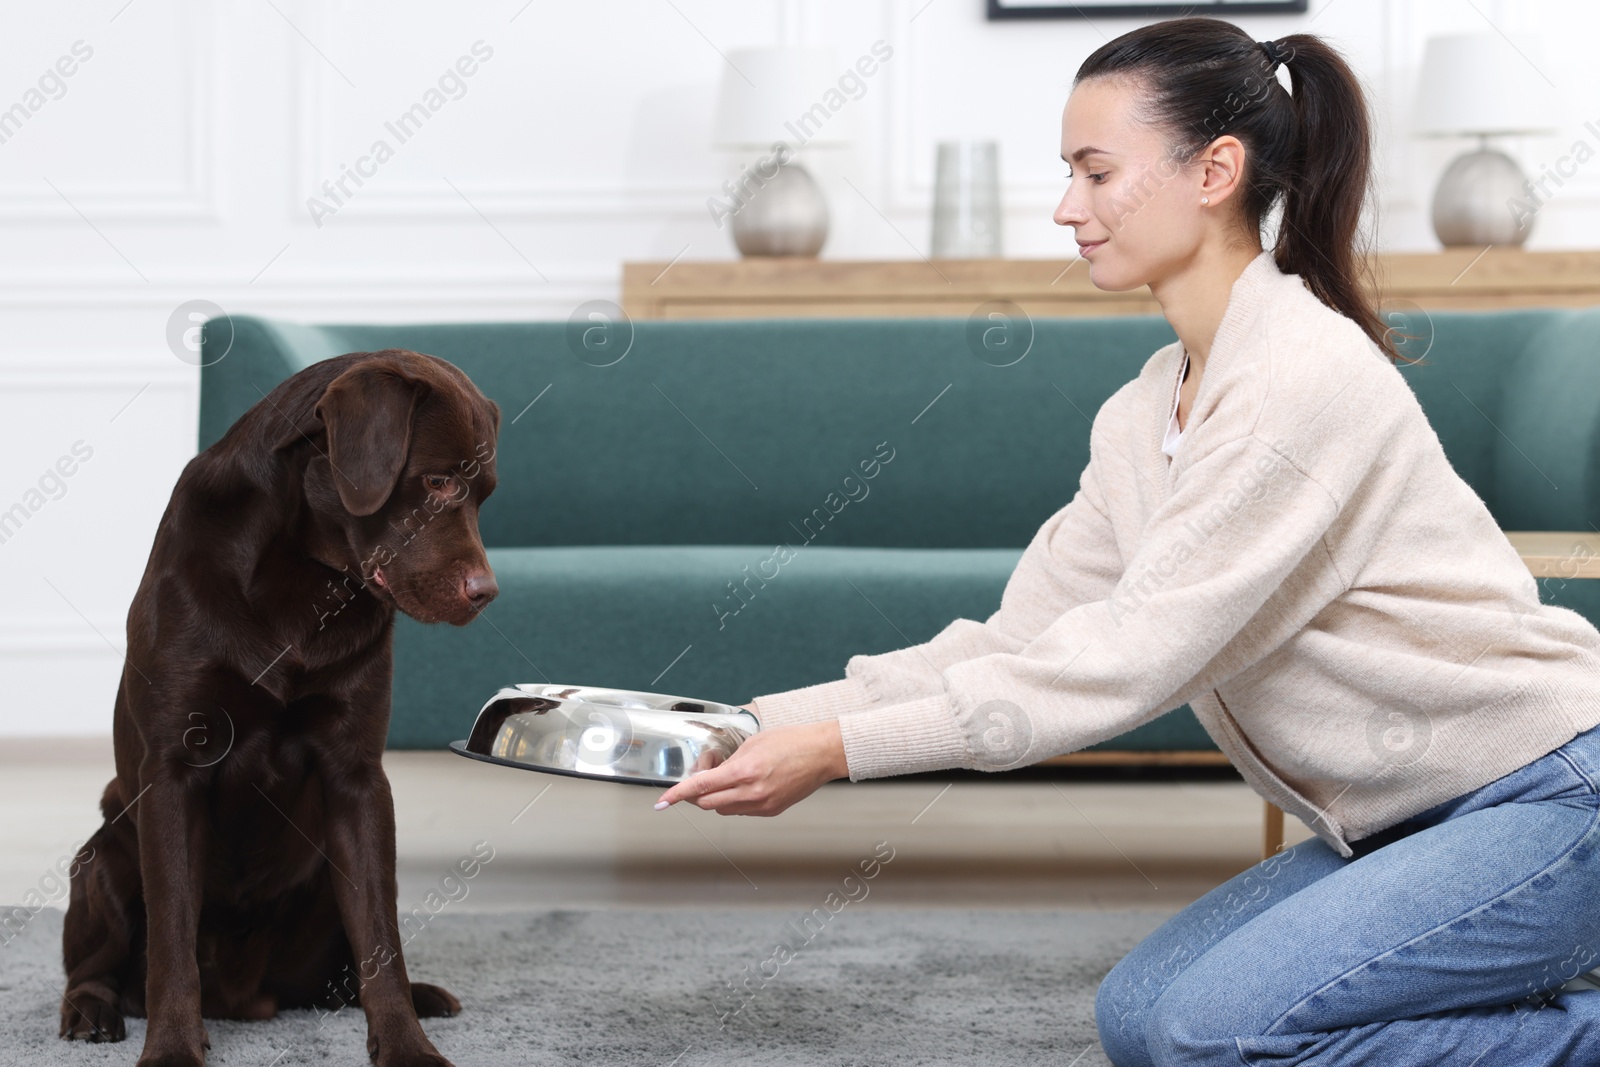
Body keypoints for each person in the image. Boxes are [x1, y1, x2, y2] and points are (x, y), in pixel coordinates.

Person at [656, 16, 1600, 1065]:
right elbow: (1012, 640)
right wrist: (748, 722)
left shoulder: (1296, 378)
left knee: (1213, 1034)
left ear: (1214, 172)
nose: (1069, 209)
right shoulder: (1146, 409)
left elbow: (1130, 657)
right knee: (1139, 1019)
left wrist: (839, 753)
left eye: (1097, 174)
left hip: (1548, 791)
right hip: (1408, 817)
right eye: (1070, 174)